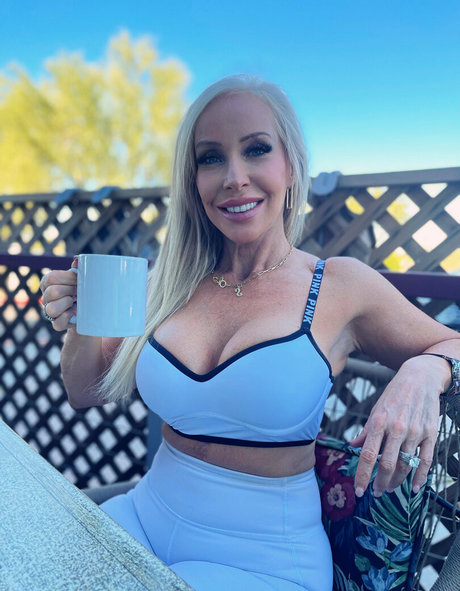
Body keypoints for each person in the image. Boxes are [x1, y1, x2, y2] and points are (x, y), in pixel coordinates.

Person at [40, 74, 460, 591]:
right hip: (143, 517)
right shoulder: (164, 285)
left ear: (290, 165)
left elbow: (452, 342)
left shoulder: (338, 286)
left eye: (256, 149)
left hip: (264, 560)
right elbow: (84, 391)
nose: (234, 177)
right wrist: (80, 320)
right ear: (193, 180)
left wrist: (426, 368)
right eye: (211, 158)